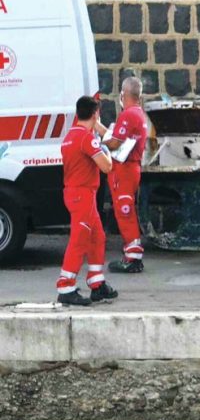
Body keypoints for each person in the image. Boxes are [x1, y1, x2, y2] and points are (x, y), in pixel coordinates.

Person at [55, 95, 115, 308]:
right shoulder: (87, 138)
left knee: (97, 236)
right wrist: (105, 147)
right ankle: (66, 286)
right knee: (79, 240)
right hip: (83, 195)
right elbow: (106, 166)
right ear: (95, 113)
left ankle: (97, 283)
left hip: (74, 192)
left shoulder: (70, 136)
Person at [104, 75, 150, 274]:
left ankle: (132, 257)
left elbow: (115, 142)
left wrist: (97, 144)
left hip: (124, 170)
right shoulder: (139, 114)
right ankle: (133, 254)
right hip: (131, 168)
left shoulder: (128, 115)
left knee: (125, 212)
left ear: (123, 94)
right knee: (127, 211)